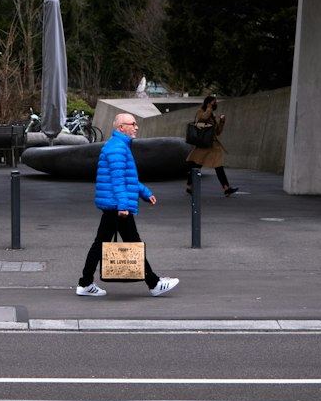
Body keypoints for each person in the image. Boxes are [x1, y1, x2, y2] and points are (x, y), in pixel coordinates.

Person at [77, 112, 180, 297]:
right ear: (121, 127)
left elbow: (127, 178)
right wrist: (123, 206)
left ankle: (85, 283)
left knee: (101, 244)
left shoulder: (119, 146)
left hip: (114, 205)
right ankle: (154, 284)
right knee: (132, 242)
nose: (136, 127)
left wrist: (144, 193)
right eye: (132, 124)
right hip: (117, 207)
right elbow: (118, 181)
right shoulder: (117, 148)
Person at [186, 94, 238, 197]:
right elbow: (202, 119)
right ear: (208, 103)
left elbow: (217, 132)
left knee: (218, 166)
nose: (215, 104)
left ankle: (226, 188)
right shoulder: (201, 112)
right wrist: (209, 108)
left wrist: (222, 121)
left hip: (213, 146)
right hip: (203, 145)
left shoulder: (212, 115)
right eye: (214, 102)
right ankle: (189, 186)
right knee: (196, 165)